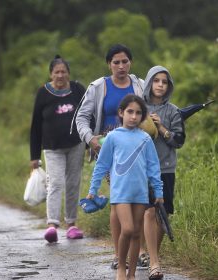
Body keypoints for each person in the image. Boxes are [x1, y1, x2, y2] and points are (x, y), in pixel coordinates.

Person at [75, 44, 154, 269]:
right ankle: (120, 254)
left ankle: (137, 251)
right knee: (119, 200)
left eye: (125, 61)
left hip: (137, 150)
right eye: (116, 62)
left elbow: (147, 114)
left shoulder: (139, 85)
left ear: (131, 63)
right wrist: (90, 138)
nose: (121, 66)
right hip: (109, 151)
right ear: (109, 64)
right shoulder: (99, 87)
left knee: (137, 198)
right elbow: (82, 117)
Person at [86, 94, 164, 280]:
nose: (134, 116)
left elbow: (154, 167)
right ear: (121, 112)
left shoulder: (145, 138)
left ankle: (132, 274)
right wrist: (92, 189)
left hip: (140, 193)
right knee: (127, 229)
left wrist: (159, 192)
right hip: (120, 193)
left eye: (138, 113)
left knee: (137, 233)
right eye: (130, 111)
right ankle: (122, 266)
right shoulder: (113, 137)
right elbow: (102, 165)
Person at [30, 55, 86, 243]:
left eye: (64, 72)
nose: (60, 75)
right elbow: (35, 125)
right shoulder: (43, 93)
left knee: (73, 183)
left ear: (68, 73)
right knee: (55, 183)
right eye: (57, 72)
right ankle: (52, 225)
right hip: (52, 147)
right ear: (50, 74)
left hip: (76, 145)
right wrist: (34, 156)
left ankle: (71, 224)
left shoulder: (78, 89)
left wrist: (91, 140)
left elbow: (89, 114)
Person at [142, 65, 186, 279]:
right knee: (149, 211)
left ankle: (152, 256)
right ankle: (154, 262)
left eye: (164, 82)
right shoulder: (138, 107)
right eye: (156, 80)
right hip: (142, 170)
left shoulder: (173, 111)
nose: (160, 85)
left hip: (166, 169)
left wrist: (161, 128)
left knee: (162, 212)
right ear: (149, 82)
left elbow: (179, 141)